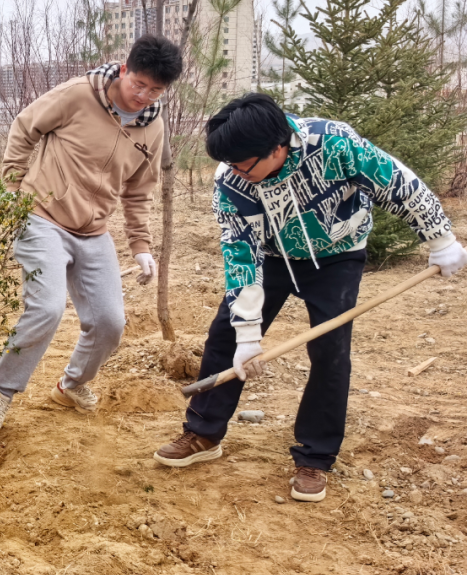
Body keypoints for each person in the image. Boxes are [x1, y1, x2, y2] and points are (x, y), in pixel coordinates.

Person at [154, 93, 467, 502]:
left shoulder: (335, 144)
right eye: (230, 164)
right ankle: (203, 434)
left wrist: (440, 238)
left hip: (338, 254)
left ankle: (315, 457)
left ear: (277, 147)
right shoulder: (233, 180)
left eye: (244, 164)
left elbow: (397, 183)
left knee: (330, 350)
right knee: (224, 337)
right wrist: (248, 332)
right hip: (271, 256)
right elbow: (240, 254)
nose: (235, 172)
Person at [0, 35, 184, 436]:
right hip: (42, 216)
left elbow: (140, 191)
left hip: (94, 231)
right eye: (138, 84)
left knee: (110, 322)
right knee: (47, 309)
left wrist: (141, 246)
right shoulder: (76, 95)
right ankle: (1, 394)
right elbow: (24, 127)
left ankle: (72, 385)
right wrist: (13, 189)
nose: (144, 95)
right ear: (125, 70)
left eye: (155, 90)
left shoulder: (153, 127)